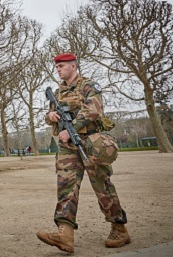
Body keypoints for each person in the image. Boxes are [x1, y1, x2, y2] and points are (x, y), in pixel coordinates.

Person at [36, 53, 130, 253]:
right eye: (57, 67)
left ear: (73, 66)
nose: (58, 69)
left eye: (62, 66)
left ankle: (119, 228)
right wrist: (50, 116)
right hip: (66, 147)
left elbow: (93, 110)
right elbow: (51, 115)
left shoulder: (89, 86)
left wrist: (72, 128)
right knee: (66, 187)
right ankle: (65, 234)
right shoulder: (58, 92)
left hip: (89, 143)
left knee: (102, 185)